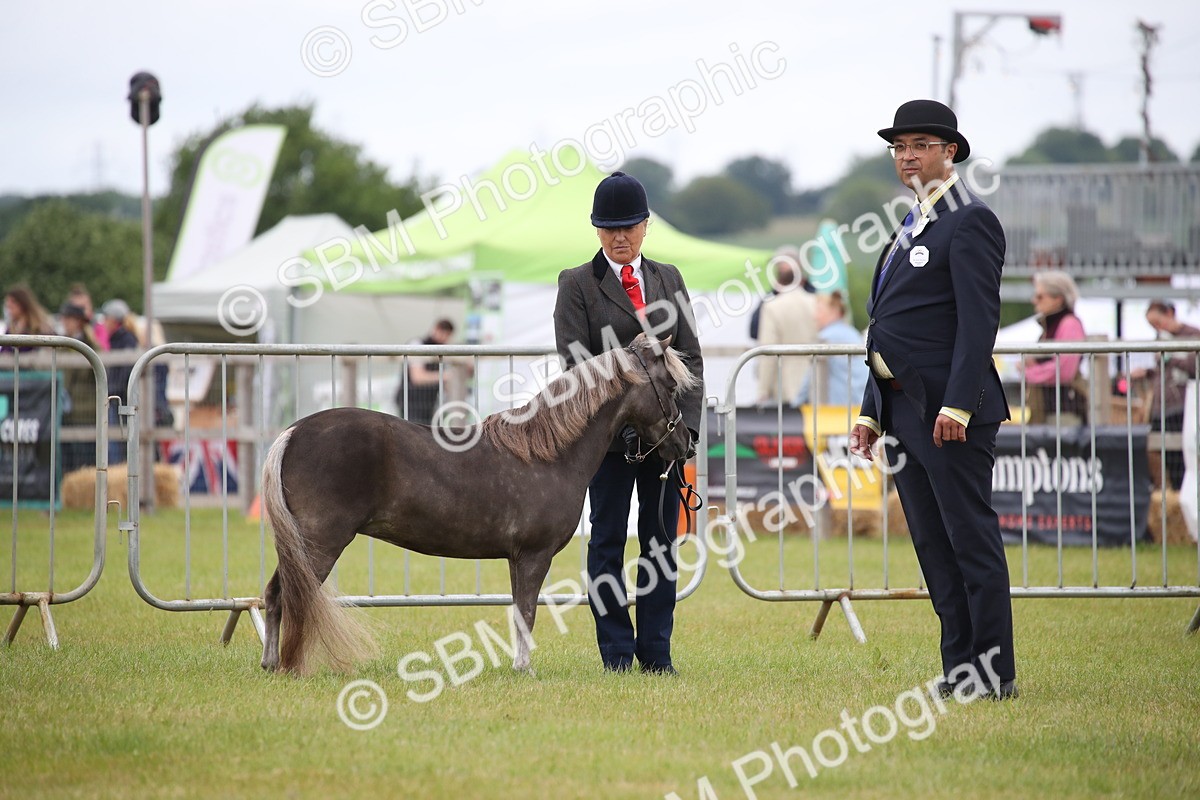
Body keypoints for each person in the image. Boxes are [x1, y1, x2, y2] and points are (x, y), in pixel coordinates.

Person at [849, 99, 1016, 699]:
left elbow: (979, 325)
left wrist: (960, 404)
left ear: (950, 152)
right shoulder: (910, 224)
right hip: (902, 410)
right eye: (899, 146)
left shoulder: (970, 221)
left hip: (950, 414)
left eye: (920, 144)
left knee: (969, 539)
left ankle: (994, 673)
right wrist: (871, 410)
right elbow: (887, 327)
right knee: (932, 547)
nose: (907, 155)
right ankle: (959, 668)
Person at [553, 171, 704, 674]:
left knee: (661, 544)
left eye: (630, 226)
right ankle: (616, 653)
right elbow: (577, 369)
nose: (621, 237)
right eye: (610, 228)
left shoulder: (669, 278)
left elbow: (692, 361)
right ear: (596, 230)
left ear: (646, 225)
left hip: (666, 441)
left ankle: (657, 653)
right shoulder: (576, 284)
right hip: (608, 445)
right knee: (607, 541)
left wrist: (689, 432)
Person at [1134, 299, 1200, 489]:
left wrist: (1170, 354)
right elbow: (1164, 372)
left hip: (1183, 406)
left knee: (1184, 453)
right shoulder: (1162, 339)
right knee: (1161, 451)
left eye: (1158, 322)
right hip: (1162, 406)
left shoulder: (1193, 335)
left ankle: (1185, 493)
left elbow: (1193, 367)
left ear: (1170, 313)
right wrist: (1147, 373)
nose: (1157, 328)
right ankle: (1172, 494)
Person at [1022, 271, 1088, 425]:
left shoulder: (1069, 324)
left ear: (1058, 299)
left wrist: (1030, 371)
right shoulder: (1052, 325)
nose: (1034, 301)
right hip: (1050, 410)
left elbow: (1064, 370)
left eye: (1040, 296)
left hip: (1064, 412)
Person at [756, 257, 819, 405]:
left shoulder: (771, 307)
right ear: (800, 279)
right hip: (816, 379)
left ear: (778, 282)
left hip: (785, 383)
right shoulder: (816, 302)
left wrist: (763, 390)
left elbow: (768, 350)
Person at [796, 291, 869, 406]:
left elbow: (810, 378)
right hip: (858, 405)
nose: (815, 316)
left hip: (837, 408)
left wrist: (796, 404)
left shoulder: (825, 338)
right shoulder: (852, 333)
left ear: (834, 312)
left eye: (819, 311)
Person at [58, 302, 99, 469]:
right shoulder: (63, 346)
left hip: (85, 413)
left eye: (70, 319)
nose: (65, 323)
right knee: (68, 462)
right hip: (67, 413)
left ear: (79, 322)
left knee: (85, 462)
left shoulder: (90, 346)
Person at [397, 319, 455, 425]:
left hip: (429, 406)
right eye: (443, 333)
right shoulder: (417, 344)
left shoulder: (440, 350)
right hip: (410, 403)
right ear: (436, 329)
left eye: (447, 335)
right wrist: (446, 376)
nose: (445, 338)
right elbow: (418, 377)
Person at [102, 299, 139, 464]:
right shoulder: (119, 339)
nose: (103, 322)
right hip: (117, 396)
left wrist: (112, 390)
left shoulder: (125, 340)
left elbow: (125, 370)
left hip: (120, 398)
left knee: (118, 440)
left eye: (106, 318)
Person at [2, 285, 54, 350]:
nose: (9, 305)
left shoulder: (40, 329)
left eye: (13, 301)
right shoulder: (10, 330)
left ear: (23, 303)